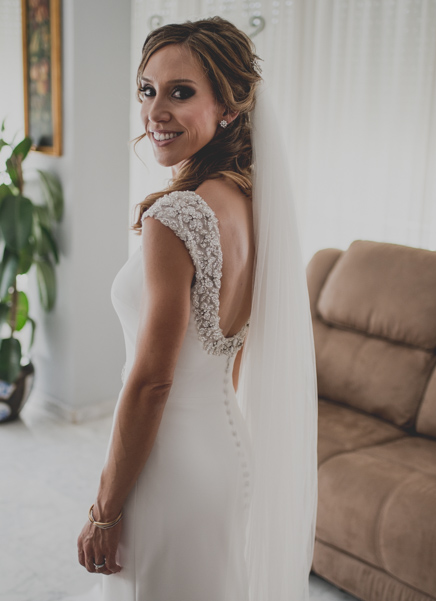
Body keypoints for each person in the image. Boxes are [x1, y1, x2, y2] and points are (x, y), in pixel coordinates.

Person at [76, 17, 318, 600]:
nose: (155, 111)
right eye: (147, 90)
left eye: (180, 92)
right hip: (227, 451)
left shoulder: (176, 217)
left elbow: (152, 381)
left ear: (229, 108)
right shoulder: (252, 206)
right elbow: (228, 352)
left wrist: (104, 510)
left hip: (169, 468)